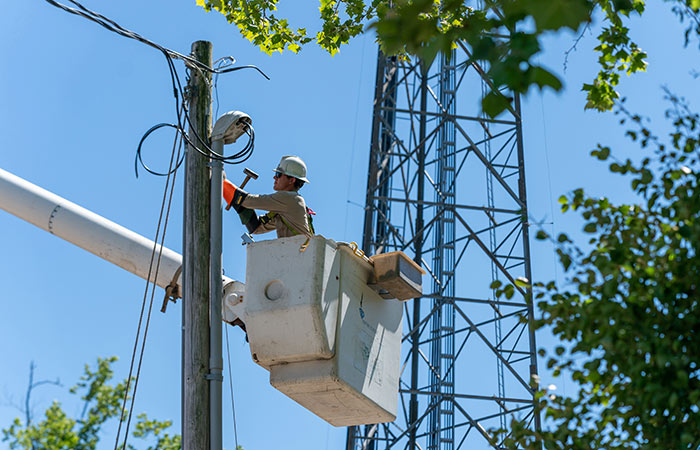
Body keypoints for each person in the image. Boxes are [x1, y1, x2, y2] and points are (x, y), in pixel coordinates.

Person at [223, 155, 314, 238]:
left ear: (291, 180)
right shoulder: (285, 207)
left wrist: (221, 181)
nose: (275, 177)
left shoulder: (289, 199)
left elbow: (248, 201)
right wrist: (239, 203)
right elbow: (256, 228)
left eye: (278, 174)